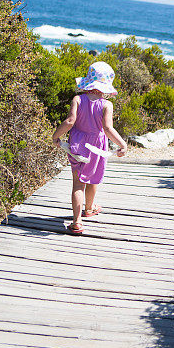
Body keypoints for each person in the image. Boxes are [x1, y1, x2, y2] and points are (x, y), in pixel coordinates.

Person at [52, 61, 127, 234]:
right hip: (97, 147)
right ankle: (89, 208)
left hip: (77, 145)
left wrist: (56, 136)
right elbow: (108, 129)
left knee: (78, 184)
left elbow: (70, 121)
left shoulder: (78, 99)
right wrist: (122, 144)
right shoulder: (107, 105)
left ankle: (77, 222)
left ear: (88, 82)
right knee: (93, 178)